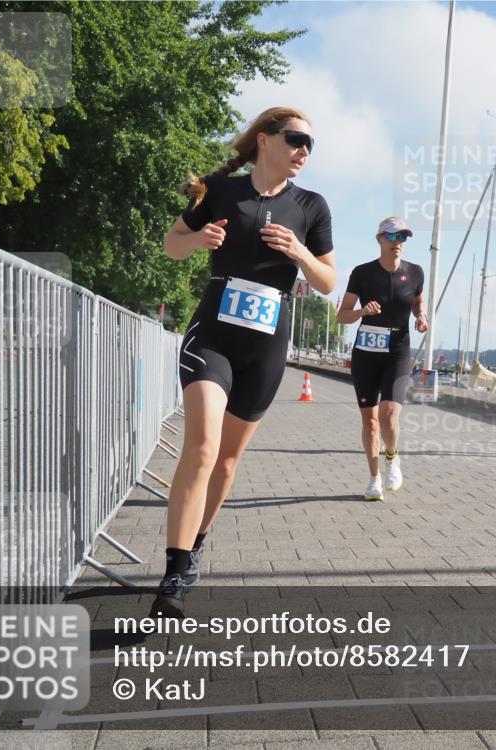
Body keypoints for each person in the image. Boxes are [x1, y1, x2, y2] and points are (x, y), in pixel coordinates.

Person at [152, 106, 336, 618]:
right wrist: (198, 240)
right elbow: (171, 245)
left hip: (267, 343)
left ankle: (196, 545)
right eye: (296, 138)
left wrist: (300, 251)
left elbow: (327, 281)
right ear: (264, 139)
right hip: (214, 333)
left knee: (229, 460)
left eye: (310, 144)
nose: (303, 151)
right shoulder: (223, 192)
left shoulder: (312, 206)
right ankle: (174, 569)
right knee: (204, 445)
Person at [337, 217, 426, 501]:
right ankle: (374, 478)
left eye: (403, 238)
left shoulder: (415, 272)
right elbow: (342, 315)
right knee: (371, 422)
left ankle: (392, 458)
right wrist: (363, 312)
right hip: (366, 352)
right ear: (379, 239)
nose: (398, 243)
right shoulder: (362, 273)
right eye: (392, 237)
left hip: (398, 349)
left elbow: (418, 303)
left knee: (389, 413)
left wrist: (421, 317)